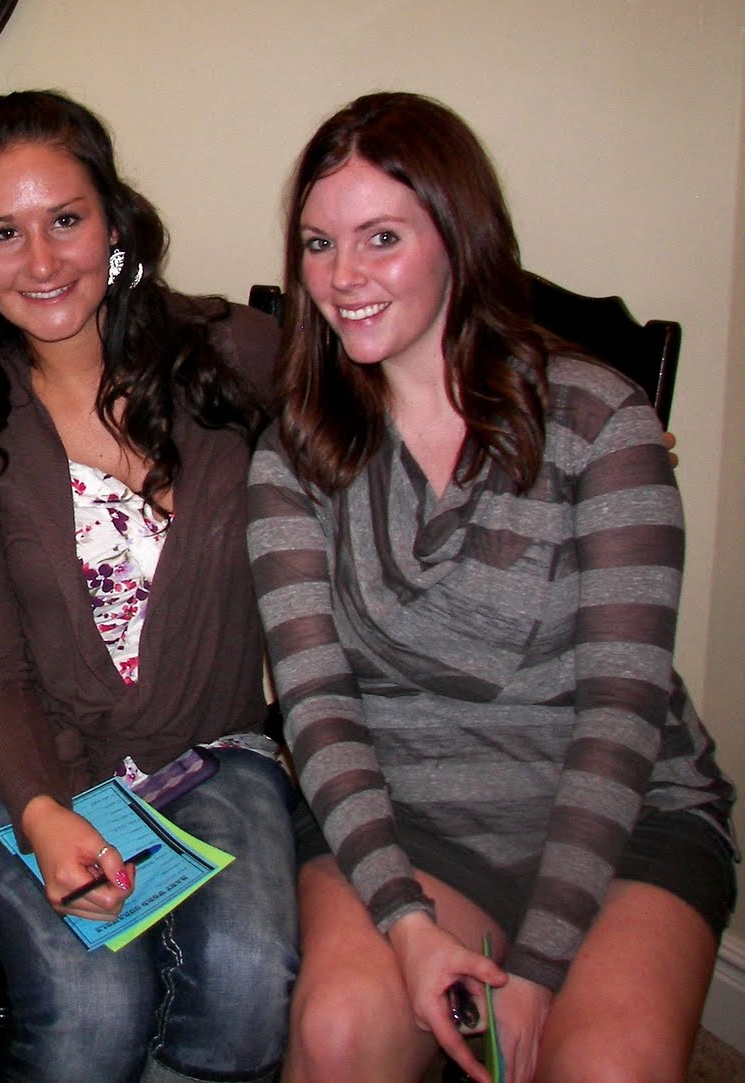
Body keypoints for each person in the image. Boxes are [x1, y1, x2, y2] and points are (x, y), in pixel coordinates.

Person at [246, 91, 737, 1083]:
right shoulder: (295, 457)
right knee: (338, 1034)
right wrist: (408, 923)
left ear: (458, 237)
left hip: (623, 824)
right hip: (409, 825)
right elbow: (319, 710)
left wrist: (540, 970)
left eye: (382, 238)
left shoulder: (600, 424)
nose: (342, 277)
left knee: (603, 1070)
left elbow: (621, 713)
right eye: (318, 244)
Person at [0, 90, 306, 1083]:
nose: (42, 262)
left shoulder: (234, 354)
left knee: (247, 983)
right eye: (4, 233)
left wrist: (558, 411)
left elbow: (394, 386)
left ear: (113, 221)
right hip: (17, 751)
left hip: (212, 747)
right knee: (94, 1005)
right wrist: (43, 811)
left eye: (66, 219)